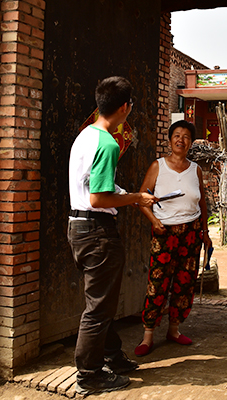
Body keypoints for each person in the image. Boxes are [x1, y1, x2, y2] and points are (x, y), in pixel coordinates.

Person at [67, 76, 158, 395]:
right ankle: (89, 374)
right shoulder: (107, 143)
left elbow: (91, 185)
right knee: (99, 307)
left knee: (100, 300)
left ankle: (111, 355)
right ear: (125, 107)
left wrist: (129, 195)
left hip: (78, 228)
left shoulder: (85, 136)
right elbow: (98, 198)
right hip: (97, 232)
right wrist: (136, 198)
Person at [134, 120, 213, 356]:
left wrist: (205, 232)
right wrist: (154, 221)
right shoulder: (157, 166)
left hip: (191, 233)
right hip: (164, 232)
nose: (181, 140)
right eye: (177, 135)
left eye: (186, 136)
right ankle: (148, 335)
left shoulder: (195, 170)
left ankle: (174, 330)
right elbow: (141, 199)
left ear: (191, 142)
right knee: (157, 283)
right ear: (169, 140)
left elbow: (202, 203)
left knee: (184, 282)